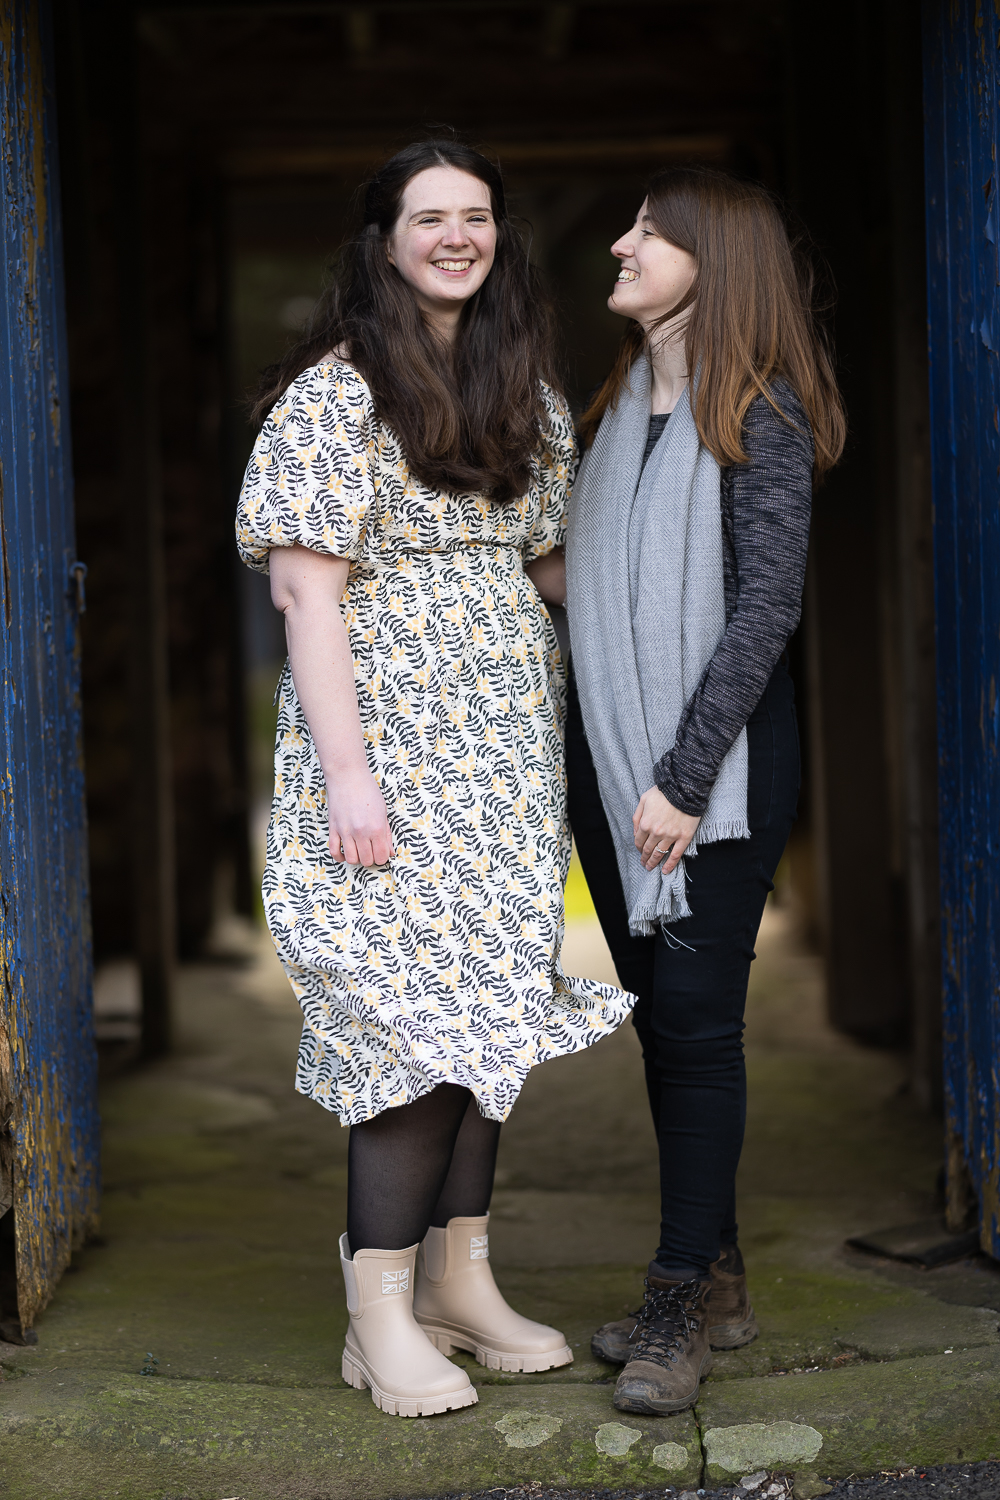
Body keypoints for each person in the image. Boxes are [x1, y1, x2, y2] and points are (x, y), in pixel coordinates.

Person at [236, 140, 632, 1419]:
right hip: (389, 757)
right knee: (405, 1028)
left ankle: (462, 1283)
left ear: (497, 236)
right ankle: (379, 1317)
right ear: (385, 242)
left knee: (488, 1014)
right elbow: (306, 595)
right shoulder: (333, 396)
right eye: (429, 217)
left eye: (476, 216)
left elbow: (546, 564)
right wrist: (348, 779)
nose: (456, 236)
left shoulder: (525, 391)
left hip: (506, 756)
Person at [565, 166, 845, 1415]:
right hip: (613, 763)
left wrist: (682, 779)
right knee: (662, 1024)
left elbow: (766, 606)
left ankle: (676, 1298)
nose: (622, 247)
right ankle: (715, 1273)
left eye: (649, 233)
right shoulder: (621, 405)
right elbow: (594, 577)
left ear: (711, 264)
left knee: (695, 1023)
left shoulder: (760, 411)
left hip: (711, 773)